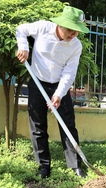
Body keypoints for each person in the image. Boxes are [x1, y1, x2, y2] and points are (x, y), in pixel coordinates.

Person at [15, 6, 89, 178]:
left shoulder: (75, 46)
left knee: (68, 126)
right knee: (38, 126)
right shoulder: (43, 28)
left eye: (76, 32)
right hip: (37, 82)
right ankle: (43, 167)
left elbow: (69, 72)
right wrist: (23, 47)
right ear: (61, 25)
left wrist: (58, 94)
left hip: (58, 86)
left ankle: (75, 166)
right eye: (70, 30)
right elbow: (21, 29)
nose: (73, 35)